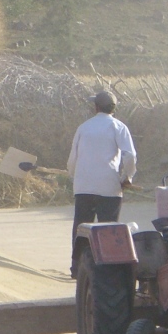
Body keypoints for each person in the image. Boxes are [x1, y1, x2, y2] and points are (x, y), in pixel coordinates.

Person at [67, 89, 137, 256]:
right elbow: (130, 156)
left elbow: (72, 160)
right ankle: (107, 263)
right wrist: (127, 177)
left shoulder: (83, 128)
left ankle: (77, 266)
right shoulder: (118, 127)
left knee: (81, 228)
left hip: (84, 187)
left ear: (96, 107)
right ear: (113, 108)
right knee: (109, 230)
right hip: (109, 187)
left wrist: (74, 177)